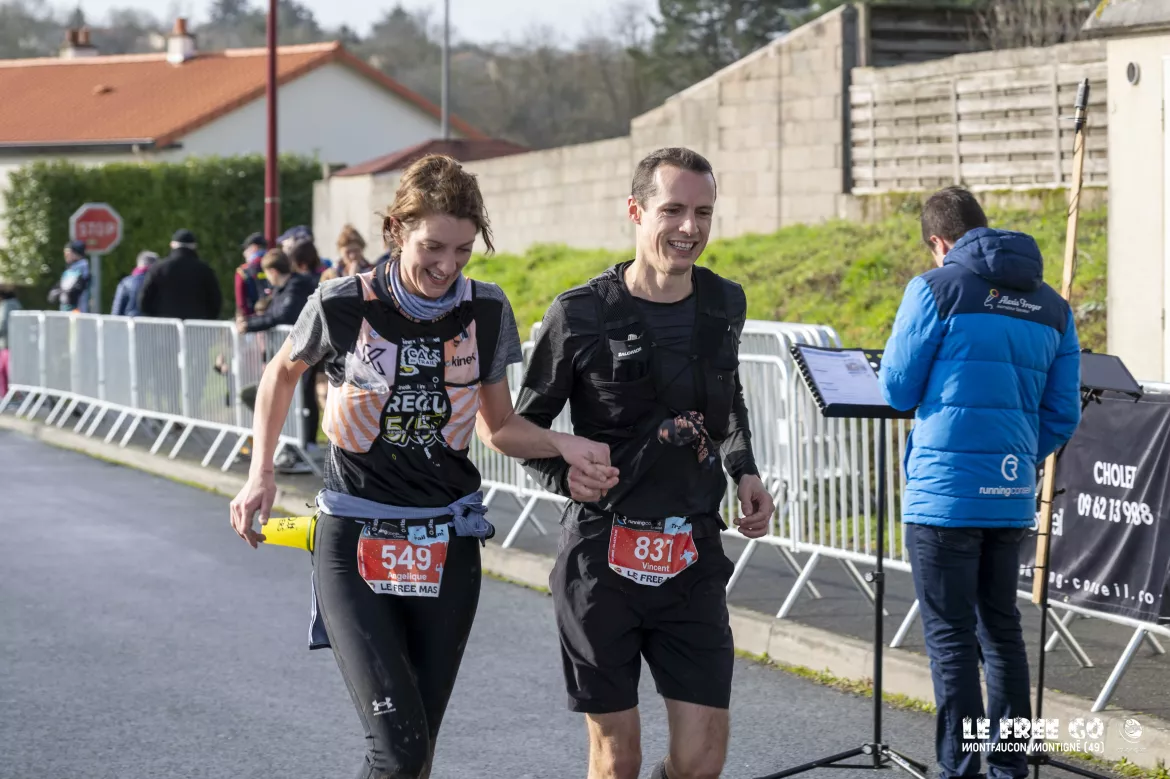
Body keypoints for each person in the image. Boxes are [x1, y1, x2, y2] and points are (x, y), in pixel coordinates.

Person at [228, 154, 613, 779]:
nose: (447, 266)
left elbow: (498, 426)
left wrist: (562, 444)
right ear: (396, 230)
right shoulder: (342, 302)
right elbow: (280, 374)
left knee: (415, 754)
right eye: (432, 246)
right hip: (355, 538)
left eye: (462, 250)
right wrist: (260, 474)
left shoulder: (486, 310)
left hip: (446, 542)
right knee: (398, 750)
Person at [514, 146, 775, 779]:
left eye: (703, 213)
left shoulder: (724, 302)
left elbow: (728, 398)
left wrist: (743, 469)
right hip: (602, 558)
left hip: (691, 551)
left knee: (701, 760)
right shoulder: (580, 312)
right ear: (636, 211)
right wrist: (566, 473)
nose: (690, 227)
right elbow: (522, 427)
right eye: (673, 210)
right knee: (617, 759)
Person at [878, 186, 1081, 779]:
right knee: (1003, 633)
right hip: (1009, 493)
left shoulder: (935, 289)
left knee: (950, 640)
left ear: (939, 243)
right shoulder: (1054, 306)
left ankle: (959, 771)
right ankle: (1009, 769)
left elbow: (897, 390)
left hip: (943, 496)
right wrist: (1012, 456)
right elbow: (1062, 413)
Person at [236, 247, 319, 473]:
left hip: (304, 353)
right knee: (293, 398)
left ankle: (302, 447)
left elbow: (282, 316)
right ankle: (294, 445)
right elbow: (272, 314)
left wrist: (250, 325)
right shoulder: (284, 289)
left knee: (301, 399)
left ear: (272, 271)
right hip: (295, 354)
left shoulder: (296, 286)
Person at [139, 229, 223, 320]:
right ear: (195, 246)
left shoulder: (158, 268)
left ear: (172, 245)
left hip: (164, 325)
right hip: (196, 325)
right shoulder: (205, 270)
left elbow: (144, 301)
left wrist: (155, 316)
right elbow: (215, 301)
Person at [235, 231, 272, 317]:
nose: (244, 254)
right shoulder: (277, 265)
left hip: (252, 319)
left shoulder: (242, 271)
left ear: (254, 248)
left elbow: (241, 304)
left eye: (245, 249)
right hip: (276, 318)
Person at [111, 251, 159, 317]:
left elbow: (117, 310)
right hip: (154, 322)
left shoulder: (126, 282)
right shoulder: (160, 282)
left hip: (131, 321)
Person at [47, 240, 91, 313]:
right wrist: (55, 292)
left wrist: (62, 293)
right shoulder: (69, 270)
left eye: (68, 253)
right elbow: (59, 287)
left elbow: (76, 291)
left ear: (76, 254)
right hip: (65, 311)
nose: (65, 256)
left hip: (78, 312)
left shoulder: (83, 269)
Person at [0, 277, 22, 398]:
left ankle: (11, 397)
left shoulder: (8, 305)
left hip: (8, 344)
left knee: (7, 371)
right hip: (8, 344)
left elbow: (3, 324)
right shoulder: (12, 303)